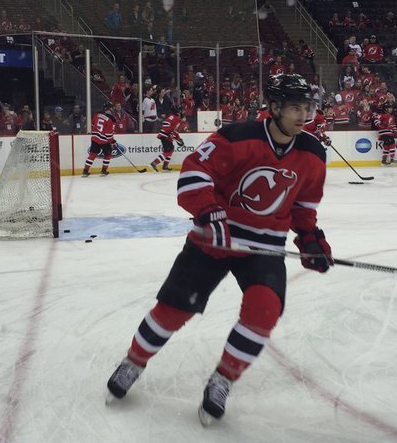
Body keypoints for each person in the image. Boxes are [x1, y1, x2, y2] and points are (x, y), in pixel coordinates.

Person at [106, 74, 333, 425]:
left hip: (264, 247)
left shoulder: (313, 153)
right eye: (294, 108)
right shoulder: (236, 136)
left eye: (306, 108)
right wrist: (207, 210)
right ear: (274, 108)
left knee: (264, 312)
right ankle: (133, 362)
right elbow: (194, 171)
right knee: (173, 310)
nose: (303, 116)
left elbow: (303, 207)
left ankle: (222, 379)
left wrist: (310, 239)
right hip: (215, 237)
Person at [82, 102, 117, 177]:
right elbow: (108, 135)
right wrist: (113, 142)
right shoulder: (111, 119)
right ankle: (104, 171)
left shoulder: (96, 115)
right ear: (110, 109)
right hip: (104, 140)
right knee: (107, 155)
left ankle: (85, 171)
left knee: (92, 154)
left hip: (95, 138)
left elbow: (93, 125)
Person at [150, 105, 185, 172]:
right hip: (165, 136)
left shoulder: (174, 117)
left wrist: (178, 138)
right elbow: (168, 125)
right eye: (181, 110)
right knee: (168, 151)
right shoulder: (176, 118)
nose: (182, 112)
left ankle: (165, 166)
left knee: (171, 149)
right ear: (178, 111)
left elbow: (173, 130)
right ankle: (155, 162)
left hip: (166, 136)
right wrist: (169, 133)